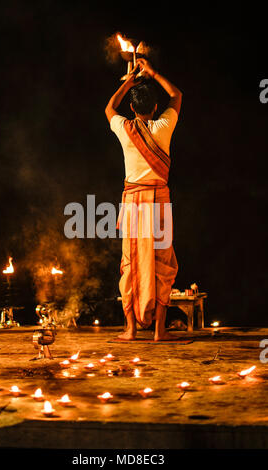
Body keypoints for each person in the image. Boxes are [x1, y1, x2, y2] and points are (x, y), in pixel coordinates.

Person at [105, 58, 182, 341]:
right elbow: (176, 95)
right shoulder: (163, 126)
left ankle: (131, 329)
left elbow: (109, 108)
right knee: (162, 261)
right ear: (154, 108)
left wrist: (130, 81)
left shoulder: (125, 128)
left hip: (134, 202)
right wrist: (153, 72)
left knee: (131, 261)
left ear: (133, 109)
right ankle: (160, 331)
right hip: (159, 200)